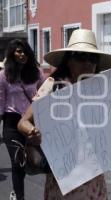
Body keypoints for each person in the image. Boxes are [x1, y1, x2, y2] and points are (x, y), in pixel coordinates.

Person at [17, 29, 111, 200]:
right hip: (62, 182)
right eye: (80, 56)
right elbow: (23, 122)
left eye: (92, 58)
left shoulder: (104, 89)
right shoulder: (53, 87)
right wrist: (32, 132)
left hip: (93, 182)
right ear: (69, 61)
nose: (87, 63)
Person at [0, 39, 44, 200]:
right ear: (12, 53)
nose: (22, 54)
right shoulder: (4, 76)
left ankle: (16, 191)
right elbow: (0, 102)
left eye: (25, 51)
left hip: (31, 122)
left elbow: (46, 92)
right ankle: (19, 196)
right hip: (11, 124)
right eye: (18, 51)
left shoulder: (37, 73)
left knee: (33, 162)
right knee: (17, 161)